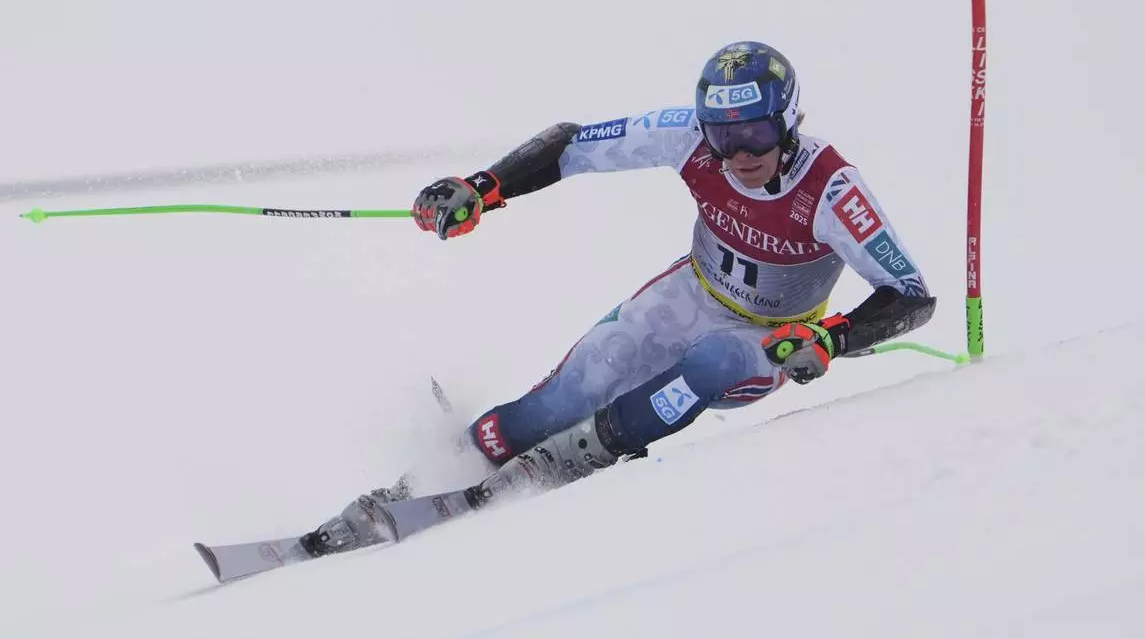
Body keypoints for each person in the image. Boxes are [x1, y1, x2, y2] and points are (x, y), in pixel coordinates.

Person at [300, 41, 936, 557]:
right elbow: (572, 144)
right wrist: (485, 185)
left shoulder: (831, 190)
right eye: (725, 136)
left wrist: (831, 337)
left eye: (758, 133)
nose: (741, 153)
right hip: (691, 293)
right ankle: (433, 476)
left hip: (769, 338)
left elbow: (911, 296)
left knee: (712, 362)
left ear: (790, 121)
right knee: (565, 396)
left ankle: (579, 456)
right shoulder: (690, 136)